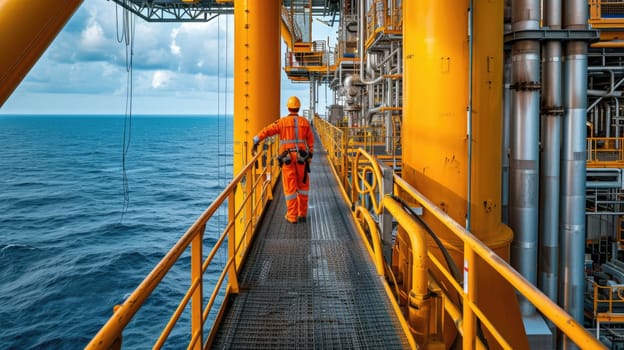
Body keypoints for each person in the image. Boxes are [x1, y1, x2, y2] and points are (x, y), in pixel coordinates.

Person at [252, 96, 314, 224]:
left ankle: (292, 216)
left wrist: (256, 140)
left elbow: (268, 130)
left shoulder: (282, 122)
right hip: (302, 158)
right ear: (299, 107)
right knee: (303, 187)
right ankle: (302, 214)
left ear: (288, 107)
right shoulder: (305, 122)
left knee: (290, 188)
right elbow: (311, 142)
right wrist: (310, 157)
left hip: (288, 159)